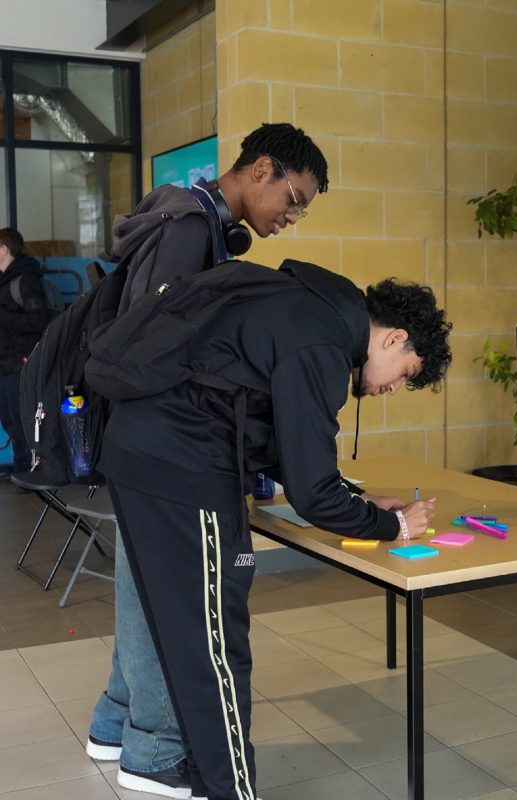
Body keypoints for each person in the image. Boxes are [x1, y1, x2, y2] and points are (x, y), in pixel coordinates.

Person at [88, 259, 452, 800]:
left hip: (138, 452)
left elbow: (281, 440)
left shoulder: (311, 308)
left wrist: (356, 497)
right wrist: (392, 524)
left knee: (149, 607)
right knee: (216, 643)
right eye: (406, 372)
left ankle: (123, 738)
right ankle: (229, 788)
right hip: (185, 470)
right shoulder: (323, 345)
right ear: (394, 338)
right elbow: (310, 494)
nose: (395, 388)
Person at [86, 123, 330, 800]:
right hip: (163, 449)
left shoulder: (179, 216)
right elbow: (163, 351)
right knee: (160, 596)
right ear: (261, 169)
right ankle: (154, 747)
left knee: (143, 584)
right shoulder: (192, 231)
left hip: (136, 442)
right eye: (295, 196)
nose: (292, 213)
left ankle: (116, 722)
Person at [0, 228, 49, 479]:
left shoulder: (26, 280)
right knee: (10, 419)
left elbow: (38, 321)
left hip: (20, 363)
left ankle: (29, 470)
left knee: (21, 420)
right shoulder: (5, 280)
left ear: (4, 249)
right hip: (5, 363)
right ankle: (21, 467)